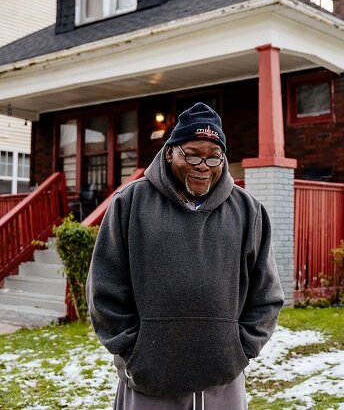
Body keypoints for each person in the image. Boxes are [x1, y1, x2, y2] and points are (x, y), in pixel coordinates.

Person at [87, 102, 284, 409]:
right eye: (191, 154)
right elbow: (105, 290)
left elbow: (267, 296)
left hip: (224, 383)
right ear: (170, 152)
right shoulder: (129, 204)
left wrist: (239, 350)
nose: (202, 165)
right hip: (148, 383)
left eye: (213, 156)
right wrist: (133, 354)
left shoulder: (249, 211)